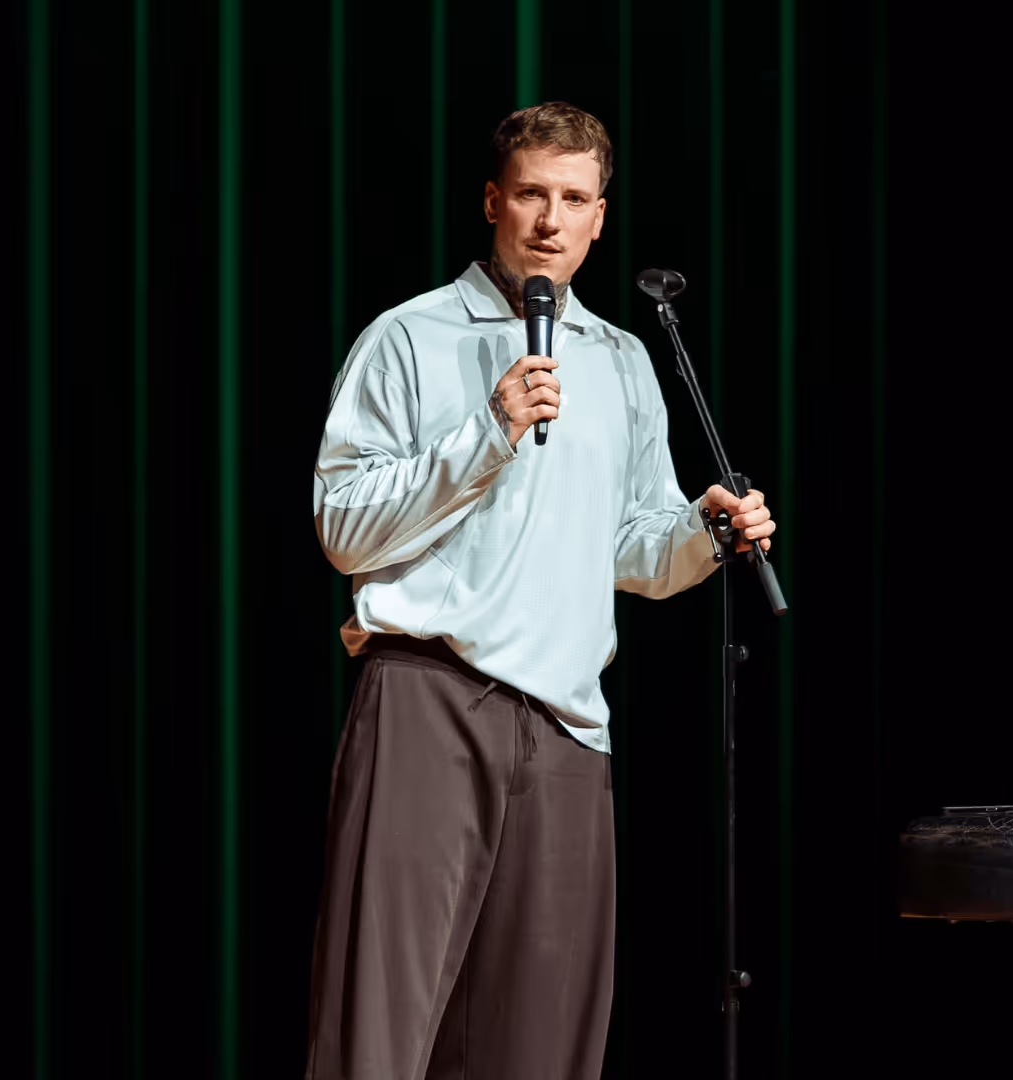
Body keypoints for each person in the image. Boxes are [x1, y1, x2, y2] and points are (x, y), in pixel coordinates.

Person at [304, 102, 776, 1080]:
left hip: (567, 722)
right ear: (493, 201)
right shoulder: (410, 338)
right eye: (531, 195)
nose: (550, 221)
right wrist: (489, 432)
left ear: (602, 217)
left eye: (573, 199)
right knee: (380, 1030)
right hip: (428, 696)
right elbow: (344, 532)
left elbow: (634, 554)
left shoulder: (621, 360)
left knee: (545, 1038)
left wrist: (703, 530)